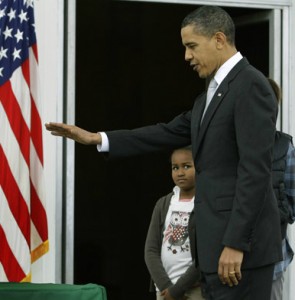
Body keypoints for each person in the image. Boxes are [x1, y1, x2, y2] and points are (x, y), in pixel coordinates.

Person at [45, 6, 282, 299]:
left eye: (192, 46)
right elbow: (165, 132)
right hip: (213, 252)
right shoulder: (211, 94)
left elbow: (255, 171)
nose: (187, 56)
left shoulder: (250, 86)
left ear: (219, 39)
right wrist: (97, 138)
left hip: (239, 254)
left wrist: (236, 243)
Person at [144, 146, 203, 300]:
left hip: (195, 289)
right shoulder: (163, 204)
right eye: (175, 167)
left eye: (187, 166)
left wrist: (178, 289)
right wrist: (166, 287)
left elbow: (205, 254)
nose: (180, 172)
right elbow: (150, 250)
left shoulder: (204, 204)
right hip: (164, 291)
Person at [267, 78, 295, 300]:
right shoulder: (227, 143)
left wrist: (279, 212)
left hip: (273, 259)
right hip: (230, 261)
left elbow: (291, 200)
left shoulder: (284, 146)